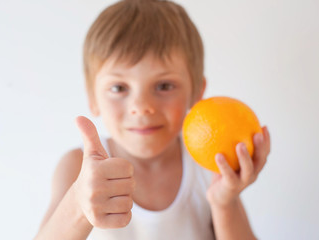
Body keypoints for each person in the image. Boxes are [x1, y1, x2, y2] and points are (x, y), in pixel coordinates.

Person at [34, 0, 271, 239]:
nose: (142, 107)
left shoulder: (209, 166)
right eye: (119, 88)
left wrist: (224, 202)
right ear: (92, 97)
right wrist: (78, 206)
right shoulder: (77, 167)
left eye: (164, 86)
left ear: (197, 92)